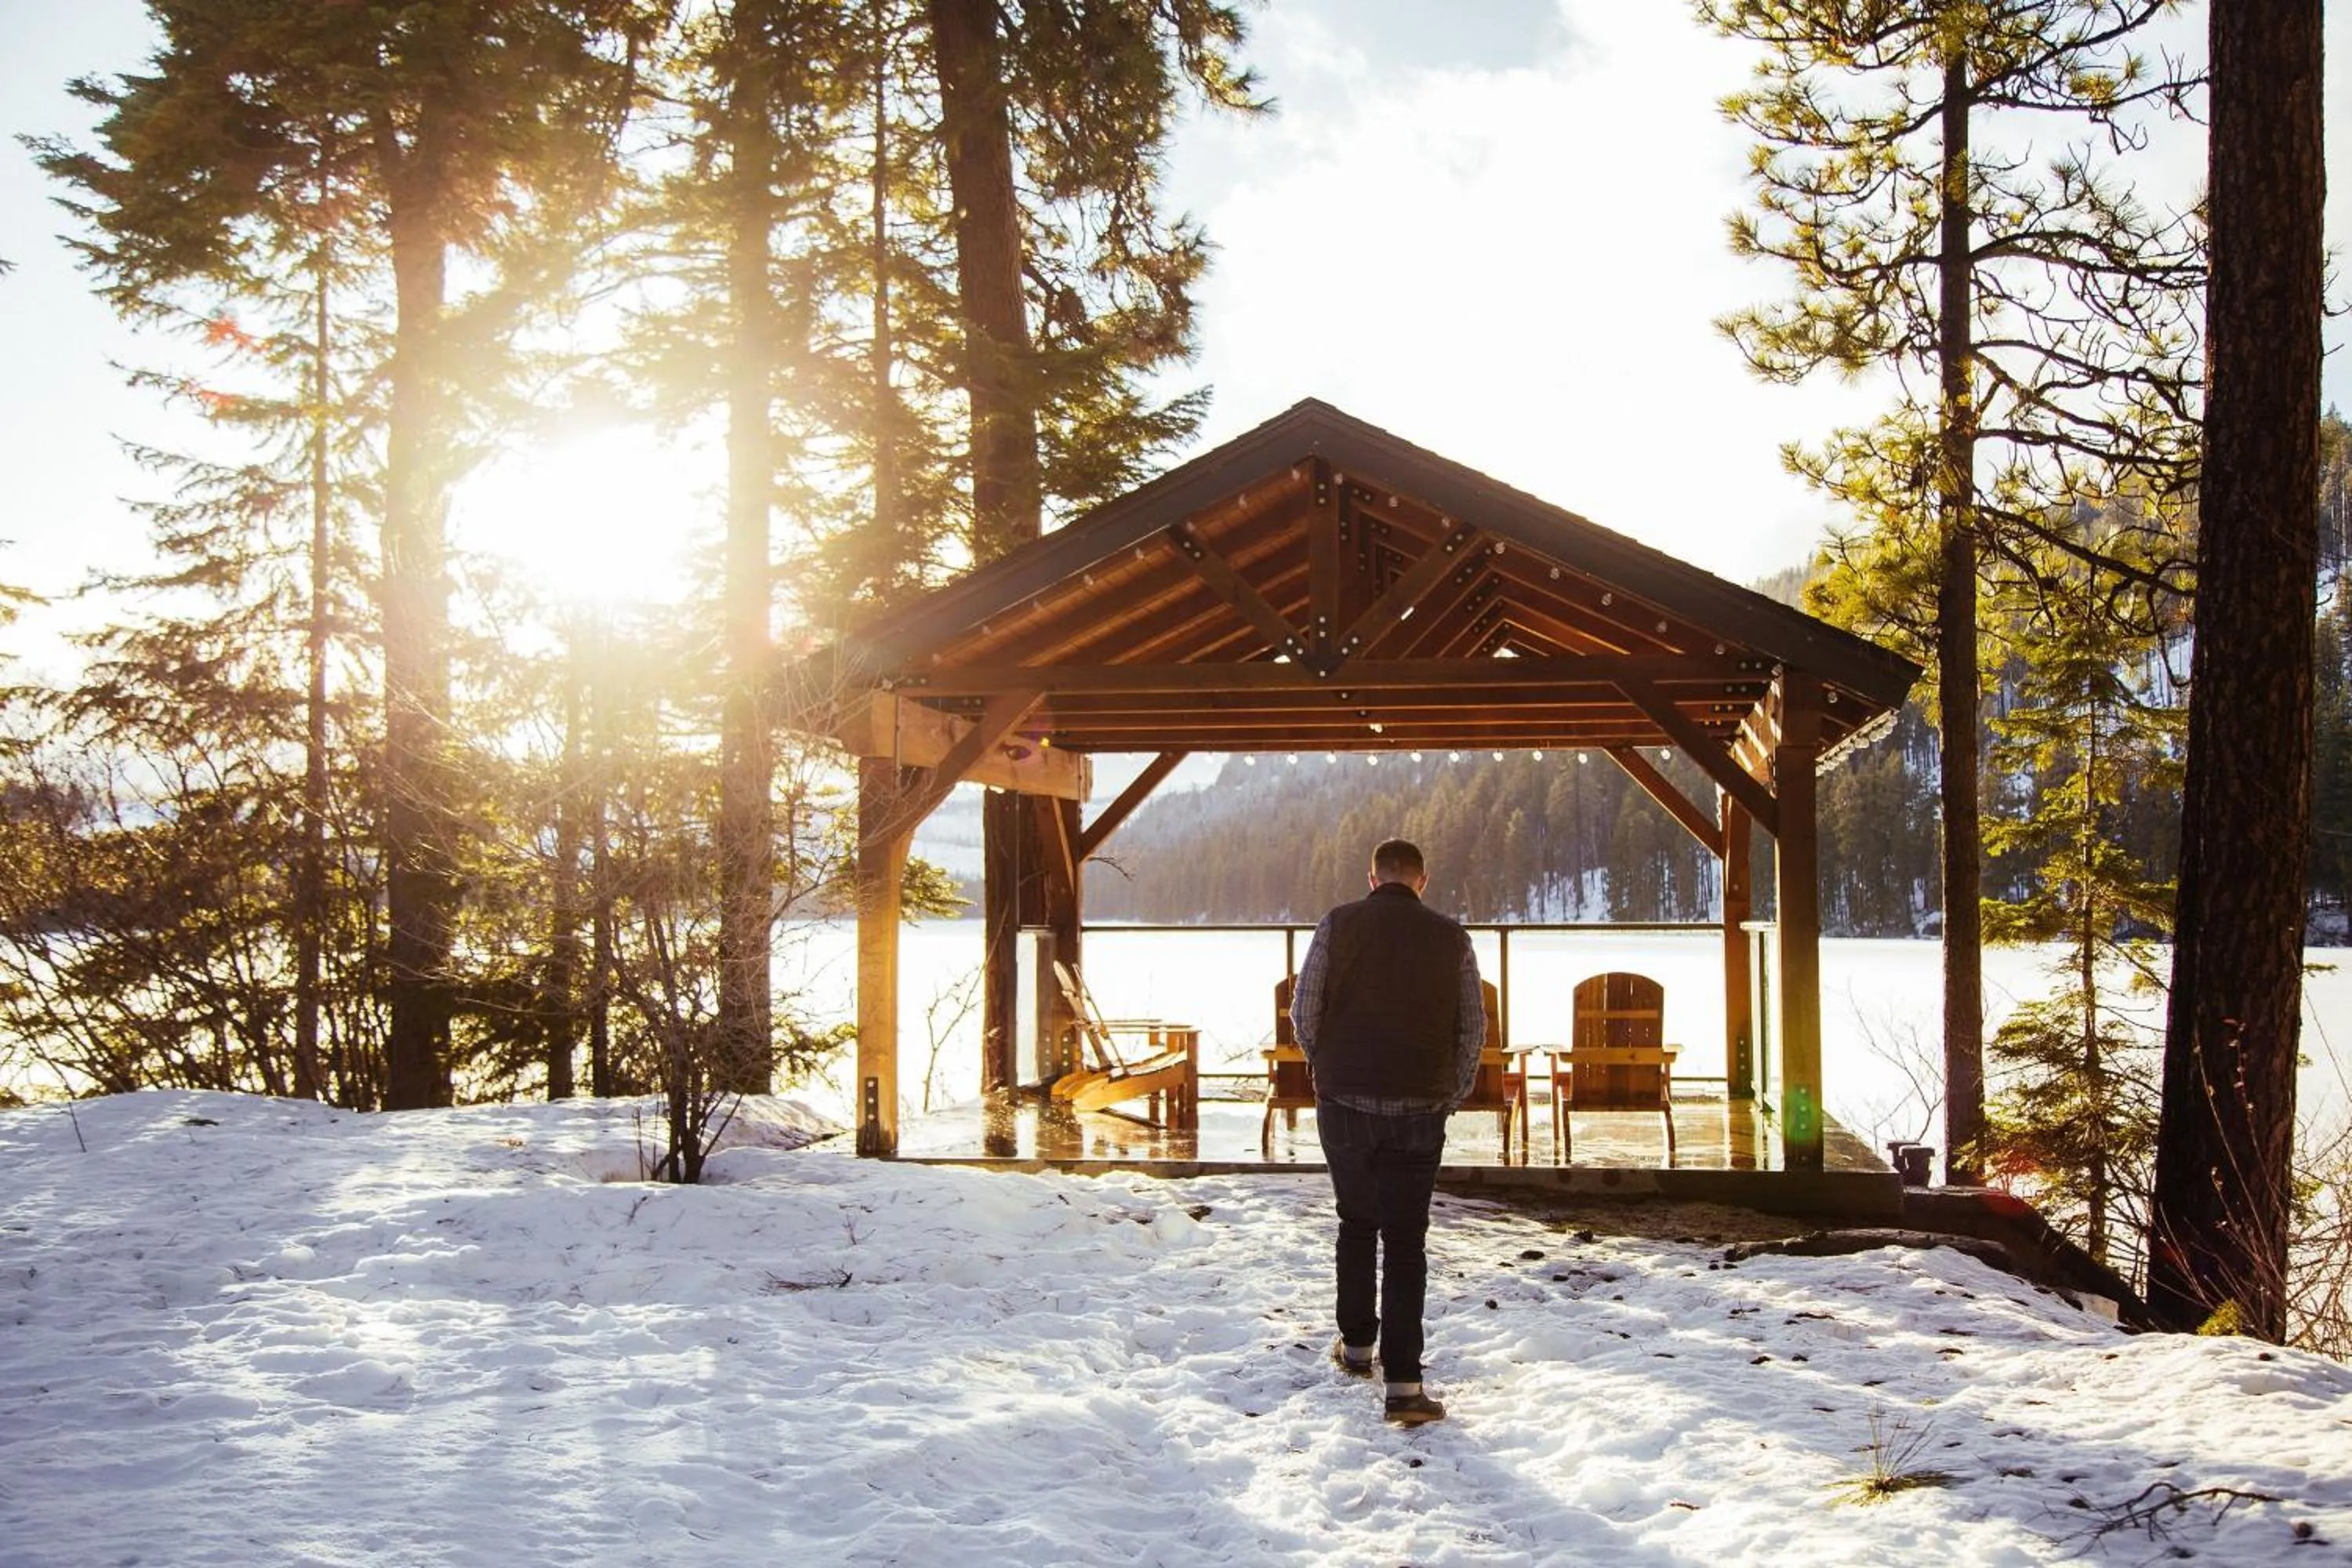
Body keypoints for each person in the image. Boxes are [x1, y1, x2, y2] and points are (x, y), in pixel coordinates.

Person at [1289, 837, 1486, 1426]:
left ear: (1372, 878)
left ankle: (1355, 1348)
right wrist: (1449, 1093)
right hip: (1421, 1106)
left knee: (1356, 1222)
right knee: (1406, 1241)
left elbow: (1304, 1010)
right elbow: (1471, 1028)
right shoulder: (1452, 938)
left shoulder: (1337, 924)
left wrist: (1325, 1066)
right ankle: (1404, 1384)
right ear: (1423, 882)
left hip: (1344, 1101)